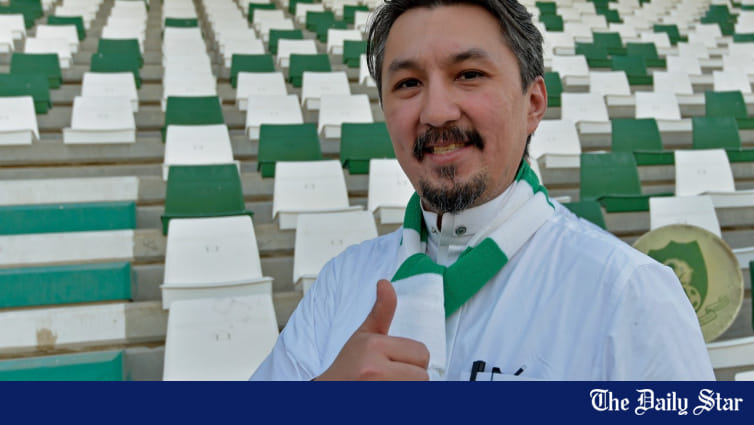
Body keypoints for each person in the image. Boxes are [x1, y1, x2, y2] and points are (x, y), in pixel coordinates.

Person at [251, 0, 715, 381]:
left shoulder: (628, 292)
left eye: (469, 74)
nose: (436, 112)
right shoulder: (340, 282)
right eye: (408, 83)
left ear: (534, 103)